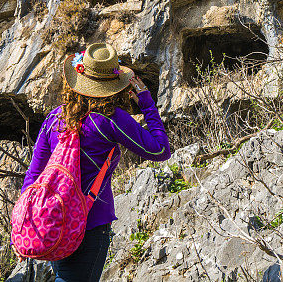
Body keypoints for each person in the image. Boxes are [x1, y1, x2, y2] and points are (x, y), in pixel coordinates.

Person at [22, 42, 171, 282]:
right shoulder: (111, 119)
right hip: (91, 224)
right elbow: (160, 150)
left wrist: (26, 224)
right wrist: (146, 102)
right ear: (114, 85)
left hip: (51, 222)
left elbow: (33, 175)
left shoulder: (54, 118)